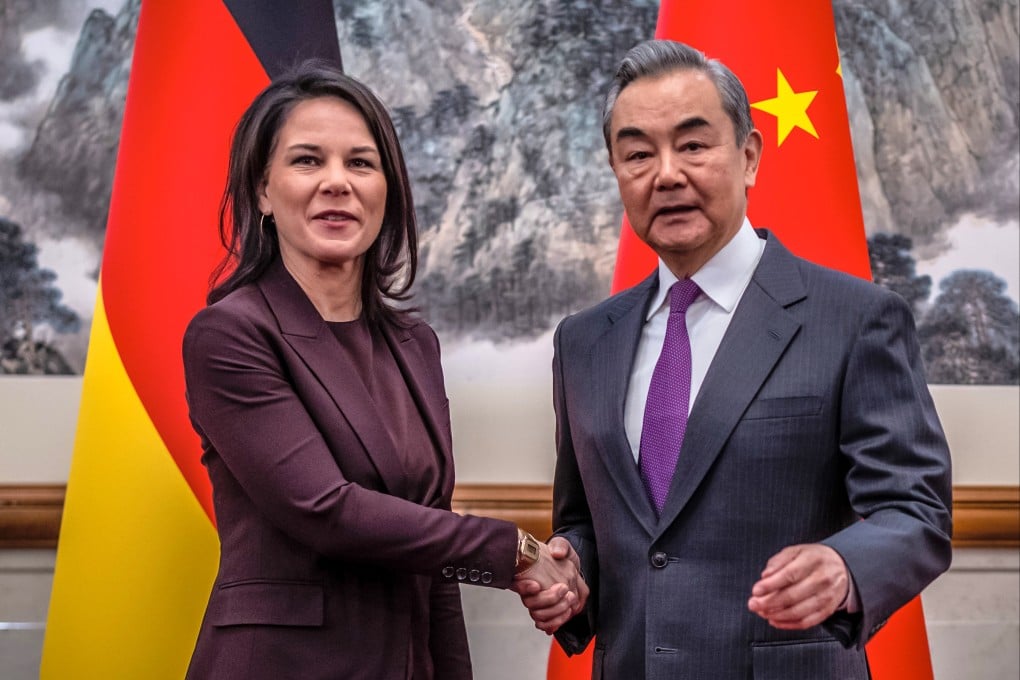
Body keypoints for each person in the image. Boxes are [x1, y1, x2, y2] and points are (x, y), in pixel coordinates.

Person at [518, 40, 952, 678]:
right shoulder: (583, 342)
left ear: (749, 156)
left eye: (693, 145)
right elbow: (587, 520)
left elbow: (916, 511)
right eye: (638, 154)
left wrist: (845, 567)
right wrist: (570, 569)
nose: (667, 174)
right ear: (616, 171)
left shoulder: (855, 319)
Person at [181, 60, 586, 680]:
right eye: (307, 161)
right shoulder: (229, 334)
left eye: (360, 163)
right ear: (262, 191)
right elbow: (324, 509)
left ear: (386, 189)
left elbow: (431, 539)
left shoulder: (413, 344)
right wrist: (515, 551)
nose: (337, 183)